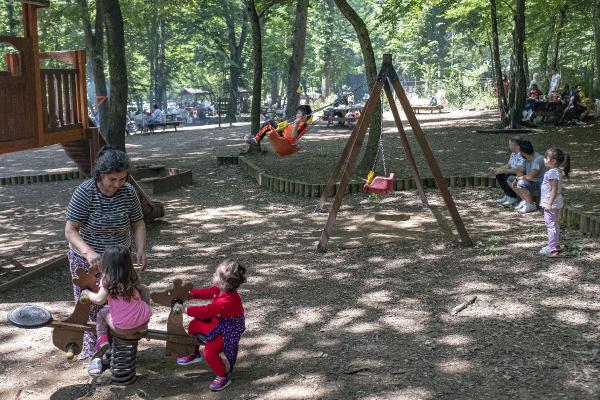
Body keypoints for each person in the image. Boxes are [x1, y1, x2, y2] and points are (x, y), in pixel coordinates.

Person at [64, 146, 147, 364]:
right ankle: (96, 355)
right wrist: (88, 252)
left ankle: (118, 347)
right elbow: (70, 230)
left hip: (119, 260)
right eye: (112, 179)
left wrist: (140, 249)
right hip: (88, 259)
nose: (117, 184)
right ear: (100, 174)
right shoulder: (86, 192)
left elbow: (138, 224)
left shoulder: (128, 192)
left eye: (122, 179)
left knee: (121, 300)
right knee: (92, 306)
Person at [81, 246, 152, 376]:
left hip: (122, 327)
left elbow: (99, 299)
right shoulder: (131, 276)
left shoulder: (107, 280)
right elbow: (142, 290)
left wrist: (87, 293)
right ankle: (143, 322)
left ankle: (102, 339)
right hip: (142, 323)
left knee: (102, 313)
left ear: (106, 264)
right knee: (144, 289)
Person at [177, 259, 247, 392]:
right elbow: (207, 292)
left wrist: (186, 309)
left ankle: (222, 375)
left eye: (215, 274)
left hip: (228, 330)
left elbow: (207, 310)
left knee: (210, 352)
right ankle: (194, 353)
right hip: (220, 322)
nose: (213, 275)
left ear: (224, 281)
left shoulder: (228, 300)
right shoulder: (220, 290)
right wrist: (191, 295)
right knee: (193, 326)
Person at [539, 147, 570, 257]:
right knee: (553, 224)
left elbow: (554, 189)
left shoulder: (552, 172)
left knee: (550, 225)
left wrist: (549, 203)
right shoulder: (556, 171)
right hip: (554, 203)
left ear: (553, 161)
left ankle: (552, 248)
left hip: (551, 203)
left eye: (546, 157)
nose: (544, 159)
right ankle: (555, 245)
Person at [245, 105, 312, 146]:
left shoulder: (303, 126)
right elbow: (289, 128)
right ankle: (256, 136)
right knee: (269, 122)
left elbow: (293, 136)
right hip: (282, 132)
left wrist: (296, 123)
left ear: (305, 116)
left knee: (268, 123)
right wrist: (282, 123)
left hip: (284, 139)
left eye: (299, 113)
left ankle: (255, 139)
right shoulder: (299, 122)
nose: (296, 115)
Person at [511, 140, 546, 213]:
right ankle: (525, 201)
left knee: (521, 183)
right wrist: (517, 178)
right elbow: (521, 171)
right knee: (510, 179)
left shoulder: (538, 159)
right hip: (532, 182)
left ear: (523, 153)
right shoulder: (526, 160)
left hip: (540, 183)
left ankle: (531, 204)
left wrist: (518, 179)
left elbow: (530, 177)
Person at [490, 137, 524, 206]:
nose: (509, 146)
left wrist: (503, 171)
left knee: (507, 175)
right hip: (512, 172)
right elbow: (509, 165)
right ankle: (507, 195)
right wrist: (497, 169)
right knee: (499, 174)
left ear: (516, 146)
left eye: (510, 144)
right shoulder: (513, 154)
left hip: (520, 175)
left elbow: (517, 170)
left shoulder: (522, 155)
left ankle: (513, 197)